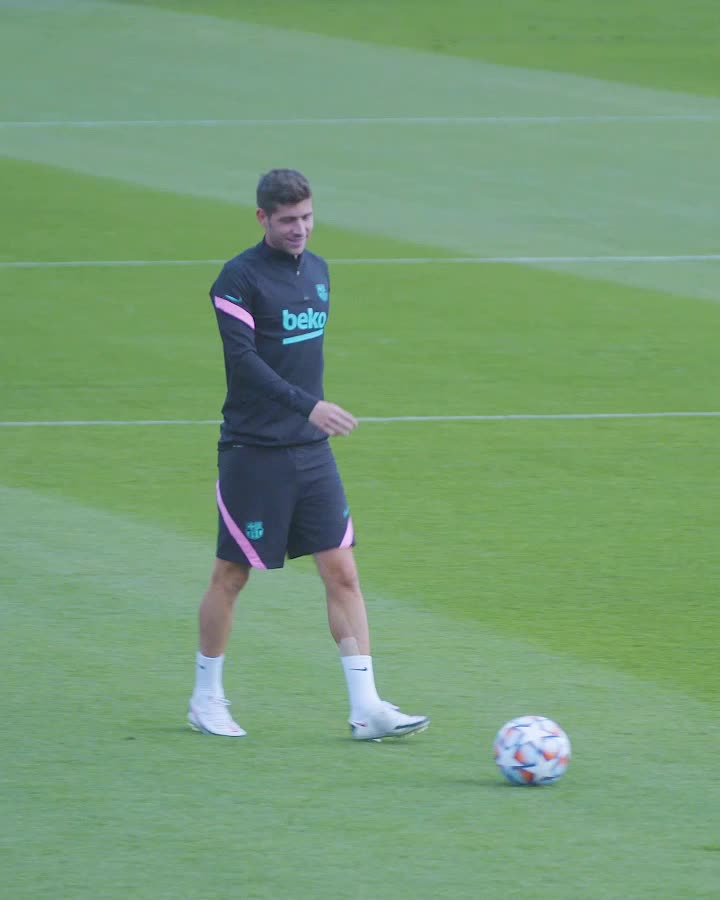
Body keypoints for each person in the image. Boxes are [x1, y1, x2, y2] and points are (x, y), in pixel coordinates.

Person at [188, 168, 429, 741]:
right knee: (231, 574)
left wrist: (308, 417)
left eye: (307, 217)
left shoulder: (318, 271)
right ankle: (205, 698)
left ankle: (366, 708)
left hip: (310, 451)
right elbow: (244, 363)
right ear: (262, 218)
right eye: (288, 220)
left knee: (342, 571)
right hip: (254, 449)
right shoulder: (237, 279)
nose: (300, 229)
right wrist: (308, 406)